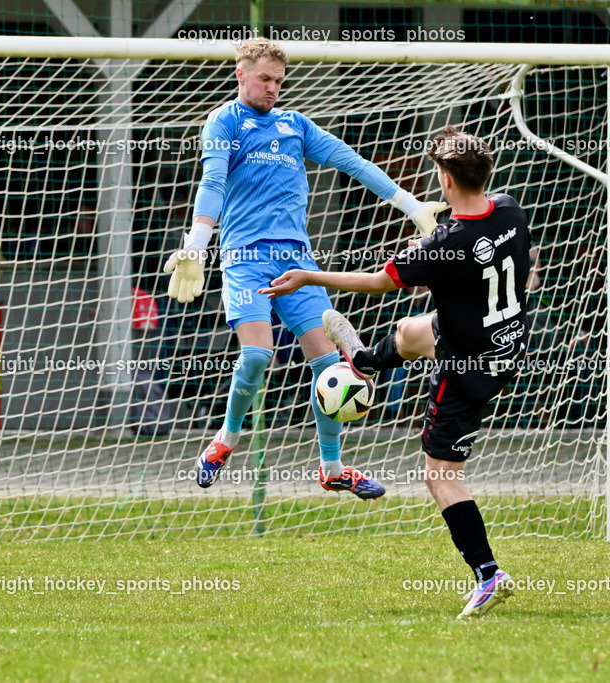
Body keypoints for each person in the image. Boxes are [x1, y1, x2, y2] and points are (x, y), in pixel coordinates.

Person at [260, 126, 530, 619]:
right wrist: (434, 240)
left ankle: (489, 574)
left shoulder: (443, 245)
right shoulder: (510, 209)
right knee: (409, 331)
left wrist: (309, 275)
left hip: (466, 366)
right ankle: (362, 363)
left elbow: (380, 281)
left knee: (440, 474)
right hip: (504, 337)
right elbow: (469, 239)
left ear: (445, 180)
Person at [164, 39, 446, 492]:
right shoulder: (224, 121)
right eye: (265, 79)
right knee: (257, 354)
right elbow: (213, 181)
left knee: (331, 364)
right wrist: (197, 245)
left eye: (279, 81)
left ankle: (333, 471)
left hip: (297, 262)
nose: (273, 88)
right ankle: (225, 439)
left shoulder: (294, 125)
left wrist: (411, 206)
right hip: (245, 257)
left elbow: (350, 162)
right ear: (241, 75)